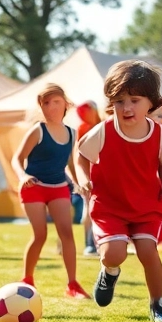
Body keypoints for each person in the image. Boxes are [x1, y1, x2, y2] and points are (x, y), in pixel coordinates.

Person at [74, 61, 162, 322]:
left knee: (148, 251)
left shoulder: (160, 134)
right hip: (110, 205)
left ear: (151, 103)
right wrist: (84, 179)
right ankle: (109, 271)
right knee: (114, 254)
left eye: (135, 100)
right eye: (119, 101)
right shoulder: (104, 130)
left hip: (146, 205)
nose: (126, 108)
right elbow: (81, 155)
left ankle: (158, 304)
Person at [15, 84, 87, 298]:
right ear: (41, 107)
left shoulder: (72, 133)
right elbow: (17, 158)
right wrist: (23, 176)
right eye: (46, 103)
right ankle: (27, 280)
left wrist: (79, 183)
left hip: (59, 188)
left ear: (66, 104)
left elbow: (70, 164)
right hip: (34, 188)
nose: (51, 107)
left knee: (67, 233)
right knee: (40, 235)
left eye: (56, 102)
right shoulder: (38, 130)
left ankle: (73, 285)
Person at [75, 101, 101, 256]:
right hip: (89, 175)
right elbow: (79, 154)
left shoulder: (101, 125)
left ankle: (96, 243)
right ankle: (89, 244)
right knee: (89, 209)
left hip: (100, 173)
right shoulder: (84, 128)